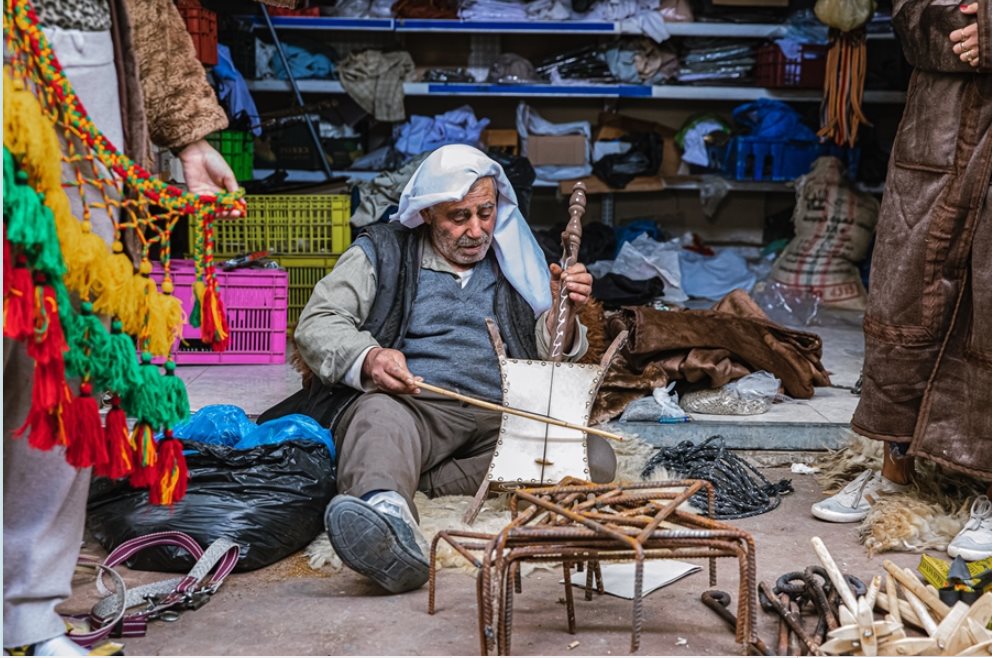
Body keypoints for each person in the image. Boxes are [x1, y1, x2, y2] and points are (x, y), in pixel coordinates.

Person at [3, 0, 240, 654]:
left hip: (88, 75)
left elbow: (149, 11)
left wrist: (189, 136)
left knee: (66, 363)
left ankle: (28, 616)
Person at [288, 144, 617, 594]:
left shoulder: (517, 257)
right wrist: (371, 357)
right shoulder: (382, 252)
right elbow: (318, 322)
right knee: (376, 418)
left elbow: (553, 354)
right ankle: (387, 522)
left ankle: (417, 478)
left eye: (485, 212)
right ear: (426, 214)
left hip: (499, 415)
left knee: (593, 456)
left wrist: (566, 312)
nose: (477, 230)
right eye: (458, 217)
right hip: (413, 407)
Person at [811, 0, 991, 560]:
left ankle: (987, 492)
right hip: (936, 134)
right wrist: (965, 26)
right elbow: (912, 16)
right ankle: (894, 473)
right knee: (908, 297)